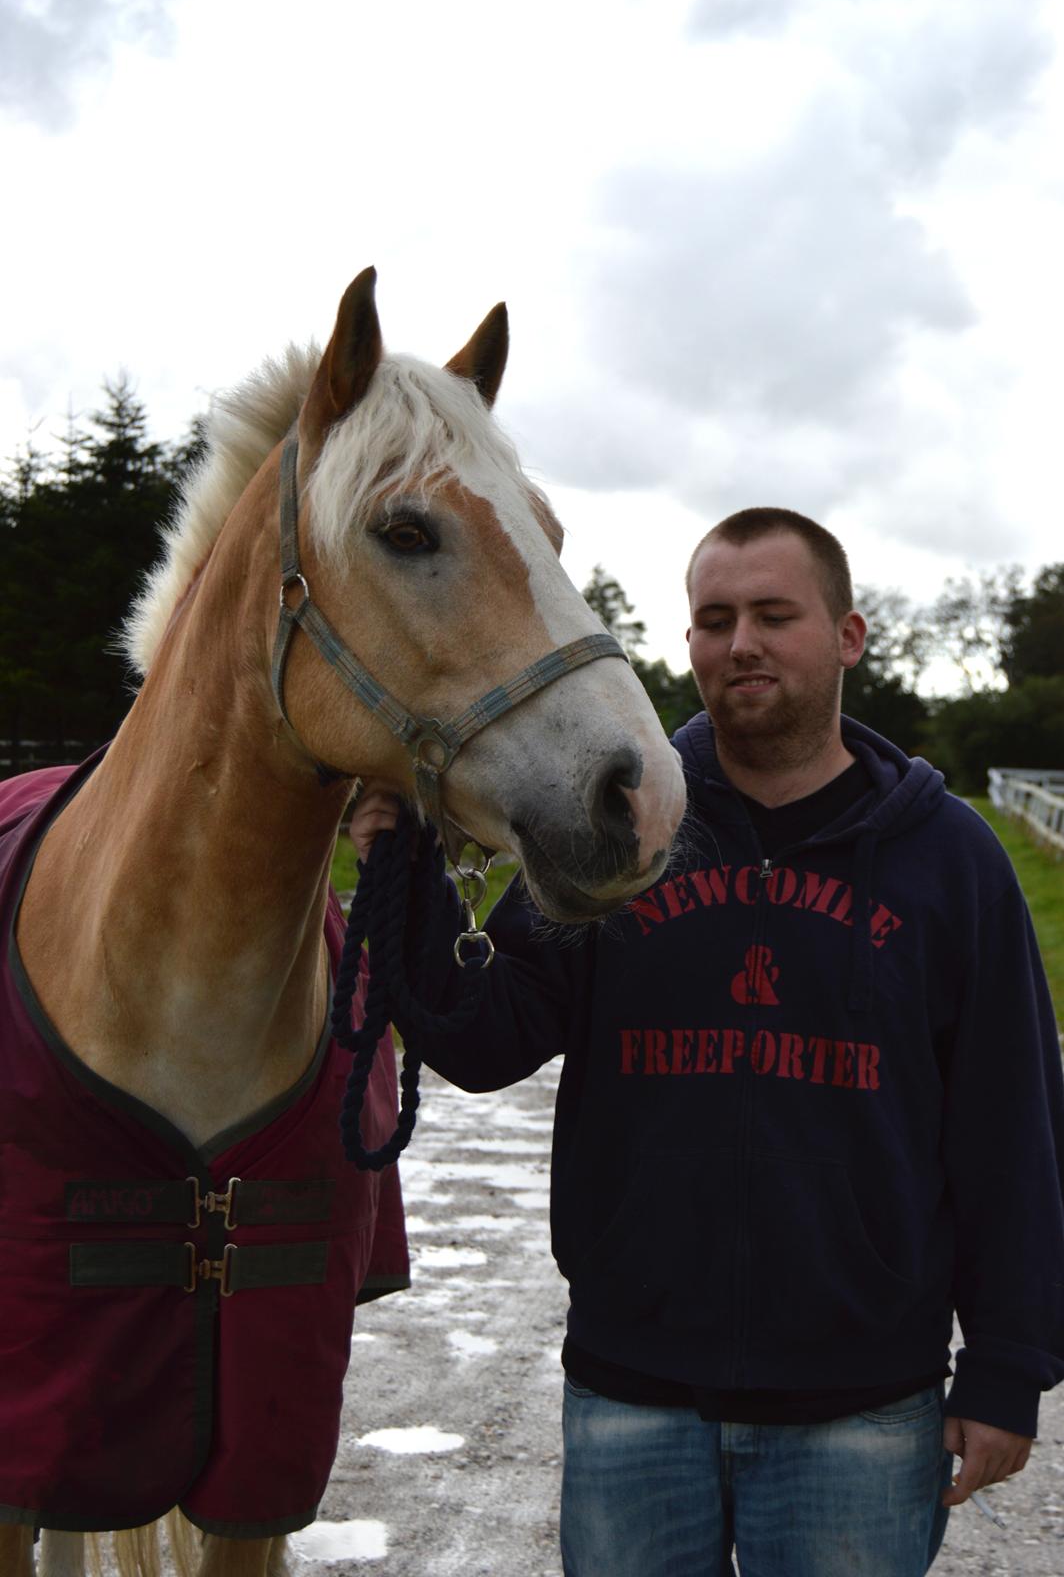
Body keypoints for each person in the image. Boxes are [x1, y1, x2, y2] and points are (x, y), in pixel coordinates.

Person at [350, 507, 1064, 1576]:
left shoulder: (946, 859)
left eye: (774, 615)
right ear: (686, 644)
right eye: (714, 620)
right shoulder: (622, 829)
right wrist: (396, 861)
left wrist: (1006, 1369)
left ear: (847, 636)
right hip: (631, 1395)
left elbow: (1011, 1127)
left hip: (860, 1409)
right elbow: (485, 1036)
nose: (741, 644)